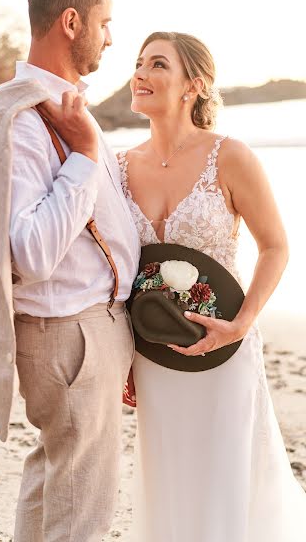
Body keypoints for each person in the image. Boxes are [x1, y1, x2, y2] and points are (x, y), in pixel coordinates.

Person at [0, 0, 140, 542]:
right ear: (71, 21)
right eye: (104, 22)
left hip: (74, 331)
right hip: (69, 334)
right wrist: (86, 158)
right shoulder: (25, 120)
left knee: (53, 483)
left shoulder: (58, 110)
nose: (111, 36)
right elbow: (29, 252)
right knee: (81, 509)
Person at [117, 31, 306, 541]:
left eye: (157, 64)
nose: (140, 72)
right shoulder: (118, 167)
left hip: (224, 347)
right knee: (168, 481)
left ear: (192, 86)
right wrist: (120, 355)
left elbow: (275, 246)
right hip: (155, 355)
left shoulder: (230, 156)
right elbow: (111, 269)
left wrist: (240, 325)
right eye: (138, 62)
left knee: (226, 480)